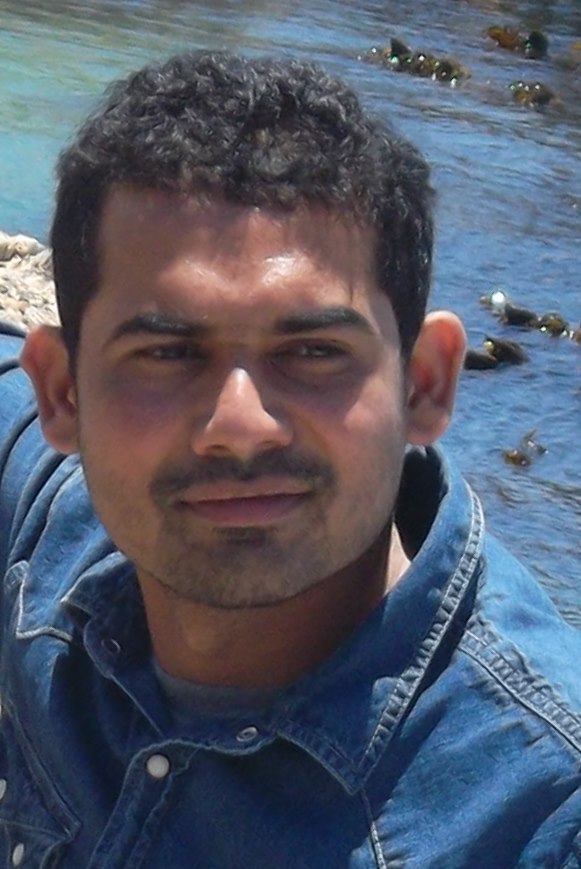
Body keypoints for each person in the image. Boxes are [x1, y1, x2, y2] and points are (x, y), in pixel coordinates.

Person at [0, 50, 579, 869]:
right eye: (166, 353)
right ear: (63, 392)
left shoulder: (536, 812)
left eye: (312, 352)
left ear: (423, 383)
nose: (240, 426)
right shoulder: (54, 530)